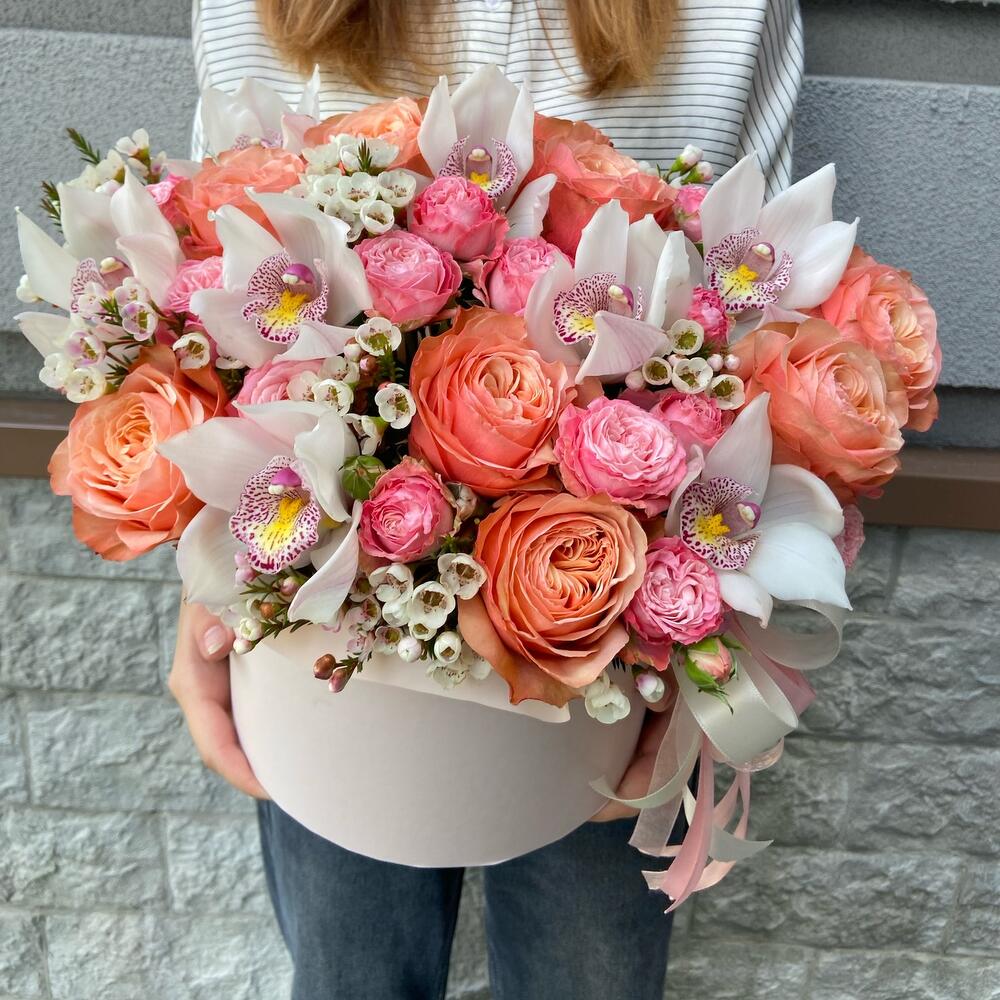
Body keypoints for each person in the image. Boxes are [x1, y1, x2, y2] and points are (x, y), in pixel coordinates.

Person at [172, 2, 803, 997]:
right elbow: (213, 309)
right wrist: (207, 594)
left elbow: (765, 333)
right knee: (349, 975)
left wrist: (703, 668)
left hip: (605, 646)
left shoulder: (726, 14)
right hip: (330, 639)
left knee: (586, 980)